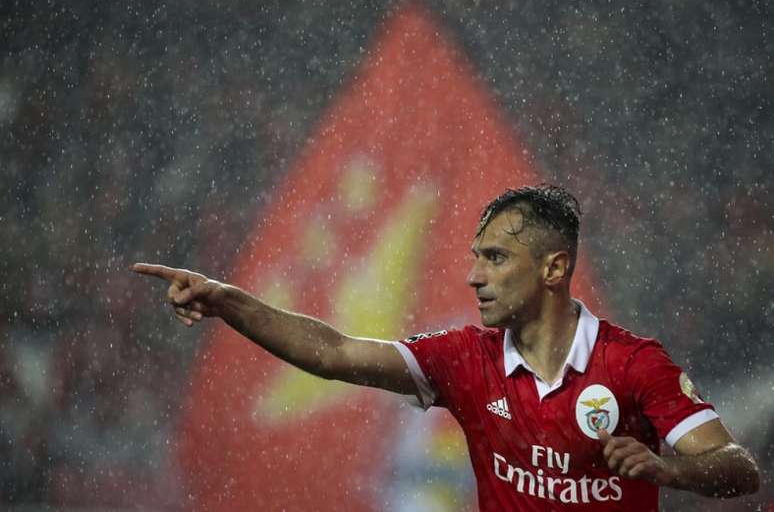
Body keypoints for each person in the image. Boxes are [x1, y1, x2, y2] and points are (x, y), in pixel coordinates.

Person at [133, 184, 760, 510]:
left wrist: (669, 470)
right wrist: (228, 302)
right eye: (474, 258)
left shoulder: (634, 364)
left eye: (495, 258)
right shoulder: (465, 359)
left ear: (552, 268)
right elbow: (333, 351)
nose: (474, 277)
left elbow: (739, 470)